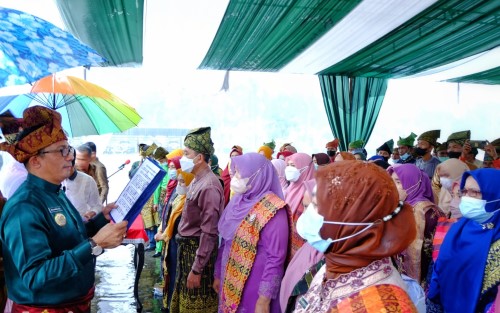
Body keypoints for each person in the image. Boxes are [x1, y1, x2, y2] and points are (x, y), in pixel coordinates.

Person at [0, 106, 127, 311]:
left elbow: (66, 239)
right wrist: (95, 243)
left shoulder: (56, 192)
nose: (70, 157)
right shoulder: (25, 207)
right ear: (36, 161)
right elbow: (35, 276)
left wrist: (100, 221)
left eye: (69, 149)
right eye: (62, 151)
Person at [294, 161, 417, 312]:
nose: (306, 215)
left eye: (315, 206)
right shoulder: (335, 265)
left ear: (352, 219)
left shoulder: (386, 305)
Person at [214, 152, 290, 312]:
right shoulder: (238, 201)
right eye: (236, 172)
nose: (236, 177)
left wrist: (264, 299)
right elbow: (225, 241)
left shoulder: (274, 209)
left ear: (258, 176)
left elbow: (276, 257)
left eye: (241, 173)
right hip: (229, 280)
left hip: (255, 286)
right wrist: (218, 274)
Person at [427, 168, 500, 313]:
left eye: (475, 192)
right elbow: (439, 270)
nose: (467, 197)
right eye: (464, 192)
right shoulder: (459, 227)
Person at [170, 127, 224, 313]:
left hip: (197, 255)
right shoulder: (196, 179)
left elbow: (209, 232)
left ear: (199, 158)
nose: (182, 158)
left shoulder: (209, 185)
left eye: (186, 153)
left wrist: (197, 269)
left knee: (198, 307)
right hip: (188, 253)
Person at [388, 164, 443, 290]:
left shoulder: (427, 213)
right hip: (401, 276)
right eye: (391, 181)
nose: (392, 186)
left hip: (424, 279)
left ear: (412, 183)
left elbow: (430, 253)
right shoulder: (400, 206)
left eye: (398, 182)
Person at [157, 170, 195, 312]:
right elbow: (167, 215)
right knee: (170, 273)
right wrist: (162, 230)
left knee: (177, 275)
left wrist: (164, 235)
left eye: (183, 181)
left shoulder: (191, 200)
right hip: (171, 244)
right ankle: (168, 303)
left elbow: (183, 225)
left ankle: (174, 305)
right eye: (179, 181)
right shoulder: (178, 195)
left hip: (180, 246)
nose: (180, 184)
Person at [284, 153, 315, 258]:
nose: (289, 169)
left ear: (305, 168)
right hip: (287, 245)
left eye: (293, 166)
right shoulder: (290, 190)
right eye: (288, 165)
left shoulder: (311, 193)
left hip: (302, 249)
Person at [62, 150, 102, 221]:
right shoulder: (52, 180)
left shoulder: (87, 180)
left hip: (81, 224)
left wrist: (92, 212)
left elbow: (97, 206)